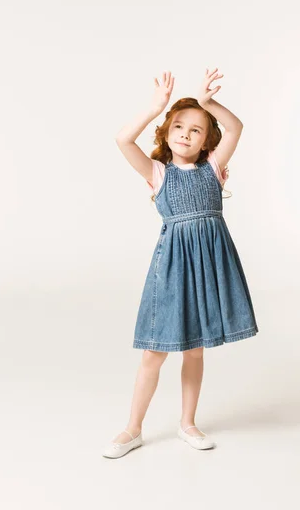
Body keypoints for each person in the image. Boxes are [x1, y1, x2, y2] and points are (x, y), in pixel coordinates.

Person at [102, 68, 259, 459]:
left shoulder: (213, 168)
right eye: (178, 126)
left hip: (210, 266)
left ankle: (187, 423)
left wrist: (209, 103)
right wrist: (155, 107)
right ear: (166, 131)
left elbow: (236, 127)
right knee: (154, 352)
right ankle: (132, 428)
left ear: (207, 140)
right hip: (172, 269)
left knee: (196, 350)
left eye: (197, 129)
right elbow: (123, 139)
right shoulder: (158, 173)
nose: (186, 133)